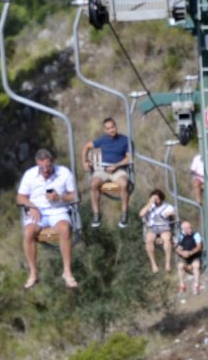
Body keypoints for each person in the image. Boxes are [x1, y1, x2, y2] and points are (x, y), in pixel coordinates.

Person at [16, 148, 79, 289]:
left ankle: (67, 271)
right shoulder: (30, 175)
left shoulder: (63, 173)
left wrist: (60, 197)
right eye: (42, 167)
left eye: (48, 166)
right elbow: (20, 197)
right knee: (28, 232)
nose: (45, 170)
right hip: (38, 211)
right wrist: (30, 206)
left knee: (65, 229)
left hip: (58, 210)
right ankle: (33, 272)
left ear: (52, 163)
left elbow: (74, 195)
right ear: (38, 165)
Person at [82, 117, 131, 229]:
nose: (111, 130)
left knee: (123, 184)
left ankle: (124, 213)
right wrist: (84, 161)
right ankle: (96, 214)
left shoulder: (125, 140)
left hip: (118, 169)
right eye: (108, 128)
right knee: (94, 183)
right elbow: (86, 147)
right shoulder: (102, 140)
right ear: (105, 130)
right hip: (103, 170)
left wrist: (116, 165)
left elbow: (128, 159)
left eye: (112, 127)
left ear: (116, 126)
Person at [140, 188, 176, 273]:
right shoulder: (150, 206)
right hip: (152, 227)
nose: (155, 201)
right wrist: (150, 203)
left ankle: (167, 263)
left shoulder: (167, 206)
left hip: (164, 227)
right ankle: (153, 264)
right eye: (154, 199)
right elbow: (141, 214)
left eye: (157, 199)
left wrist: (167, 214)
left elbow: (173, 212)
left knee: (166, 239)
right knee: (148, 241)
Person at [174, 220, 204, 294]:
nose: (190, 229)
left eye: (190, 227)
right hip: (184, 256)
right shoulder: (180, 236)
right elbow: (176, 247)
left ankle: (196, 285)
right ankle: (182, 285)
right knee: (180, 266)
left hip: (194, 255)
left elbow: (199, 247)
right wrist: (182, 253)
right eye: (187, 228)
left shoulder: (196, 235)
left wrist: (191, 252)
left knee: (196, 265)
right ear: (183, 229)